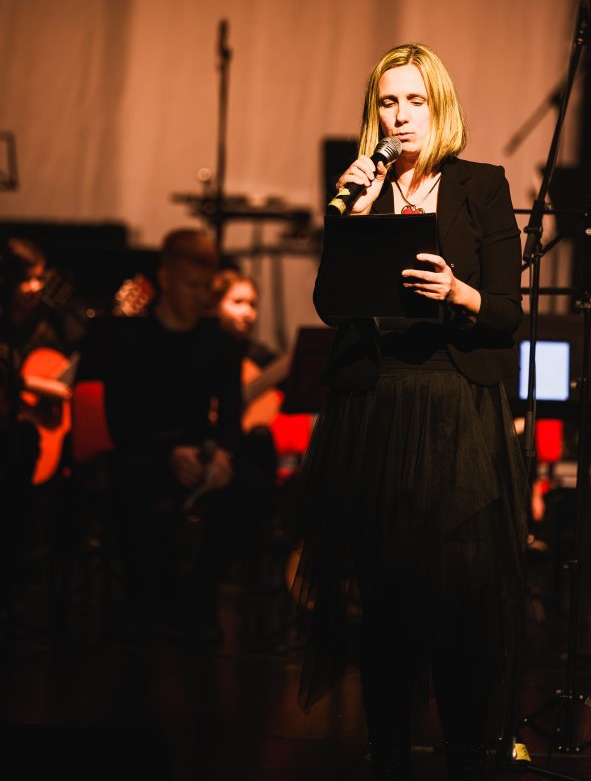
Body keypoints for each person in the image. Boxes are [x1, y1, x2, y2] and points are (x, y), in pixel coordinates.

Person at [294, 44, 528, 780]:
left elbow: (508, 311)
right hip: (379, 407)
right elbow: (330, 304)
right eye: (388, 102)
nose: (400, 116)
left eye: (414, 101)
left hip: (455, 405)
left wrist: (458, 292)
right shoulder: (363, 191)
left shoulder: (480, 186)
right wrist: (353, 216)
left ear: (439, 107)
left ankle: (466, 752)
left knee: (460, 599)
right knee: (386, 598)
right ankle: (386, 749)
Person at [76, 228, 243, 639]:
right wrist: (170, 451)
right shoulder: (127, 339)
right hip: (147, 453)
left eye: (206, 287)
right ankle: (146, 599)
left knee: (250, 480)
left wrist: (223, 453)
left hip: (197, 454)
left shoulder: (219, 344)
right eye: (191, 285)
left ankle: (198, 594)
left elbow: (230, 419)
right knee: (127, 473)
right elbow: (121, 424)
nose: (200, 297)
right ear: (165, 279)